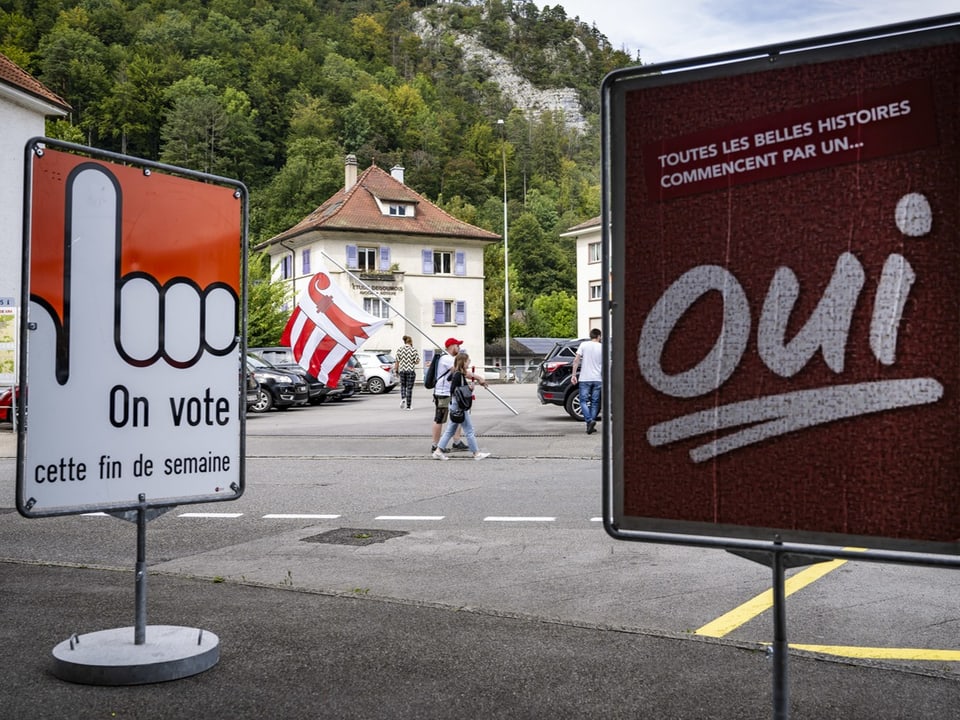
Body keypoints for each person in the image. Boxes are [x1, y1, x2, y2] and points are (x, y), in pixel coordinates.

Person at [433, 351, 489, 461]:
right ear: (463, 362)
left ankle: (438, 451)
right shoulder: (458, 374)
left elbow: (450, 380)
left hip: (455, 405)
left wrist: (466, 386)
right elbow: (453, 389)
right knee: (469, 430)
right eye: (468, 361)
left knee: (450, 430)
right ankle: (476, 453)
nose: (469, 363)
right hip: (459, 406)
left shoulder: (457, 373)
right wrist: (468, 389)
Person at [431, 338, 477, 453]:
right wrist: (479, 378)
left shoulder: (449, 358)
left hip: (449, 393)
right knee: (440, 419)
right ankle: (435, 445)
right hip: (443, 393)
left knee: (457, 417)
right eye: (458, 345)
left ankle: (456, 441)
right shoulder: (447, 358)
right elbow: (462, 372)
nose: (459, 348)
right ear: (452, 346)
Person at [570, 328, 602, 434]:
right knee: (595, 402)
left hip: (585, 378)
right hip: (597, 379)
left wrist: (573, 375)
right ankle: (591, 424)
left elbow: (576, 360)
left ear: (591, 336)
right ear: (599, 336)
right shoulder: (602, 347)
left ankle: (589, 421)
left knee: (583, 401)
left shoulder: (583, 345)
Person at [394, 335, 419, 409]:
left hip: (402, 370)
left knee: (403, 386)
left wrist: (396, 370)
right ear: (411, 342)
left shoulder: (400, 349)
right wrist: (412, 361)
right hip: (410, 370)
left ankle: (403, 398)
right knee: (409, 388)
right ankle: (408, 406)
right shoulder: (413, 350)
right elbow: (417, 361)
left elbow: (397, 361)